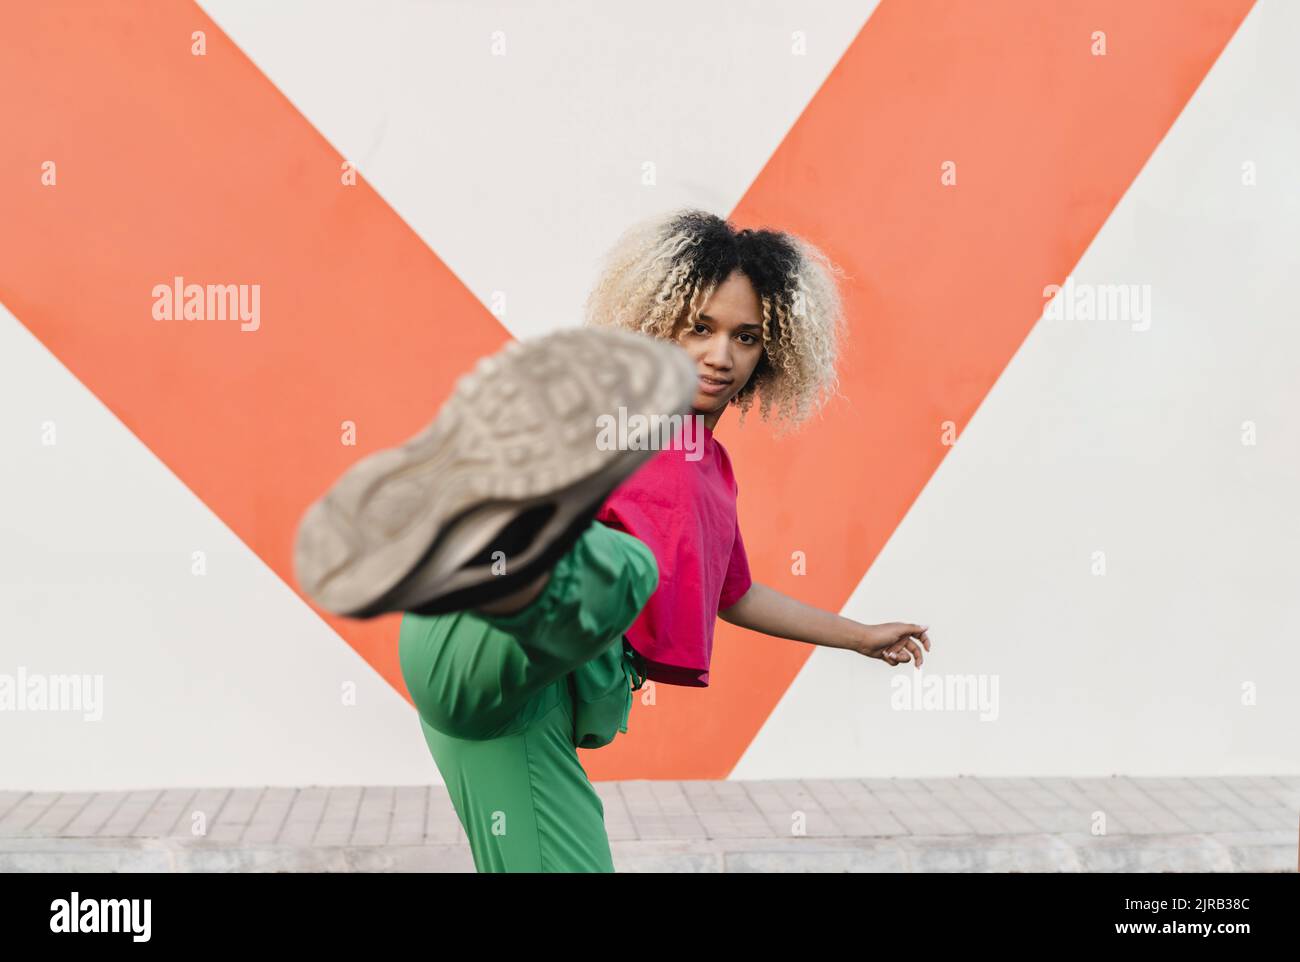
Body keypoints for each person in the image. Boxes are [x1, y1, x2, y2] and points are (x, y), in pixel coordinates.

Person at [293, 208, 932, 872]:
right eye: (700, 329)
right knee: (626, 564)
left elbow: (733, 595)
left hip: (516, 704)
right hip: (481, 639)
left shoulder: (710, 471)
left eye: (745, 337)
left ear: (771, 353)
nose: (721, 356)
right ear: (659, 326)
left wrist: (858, 636)